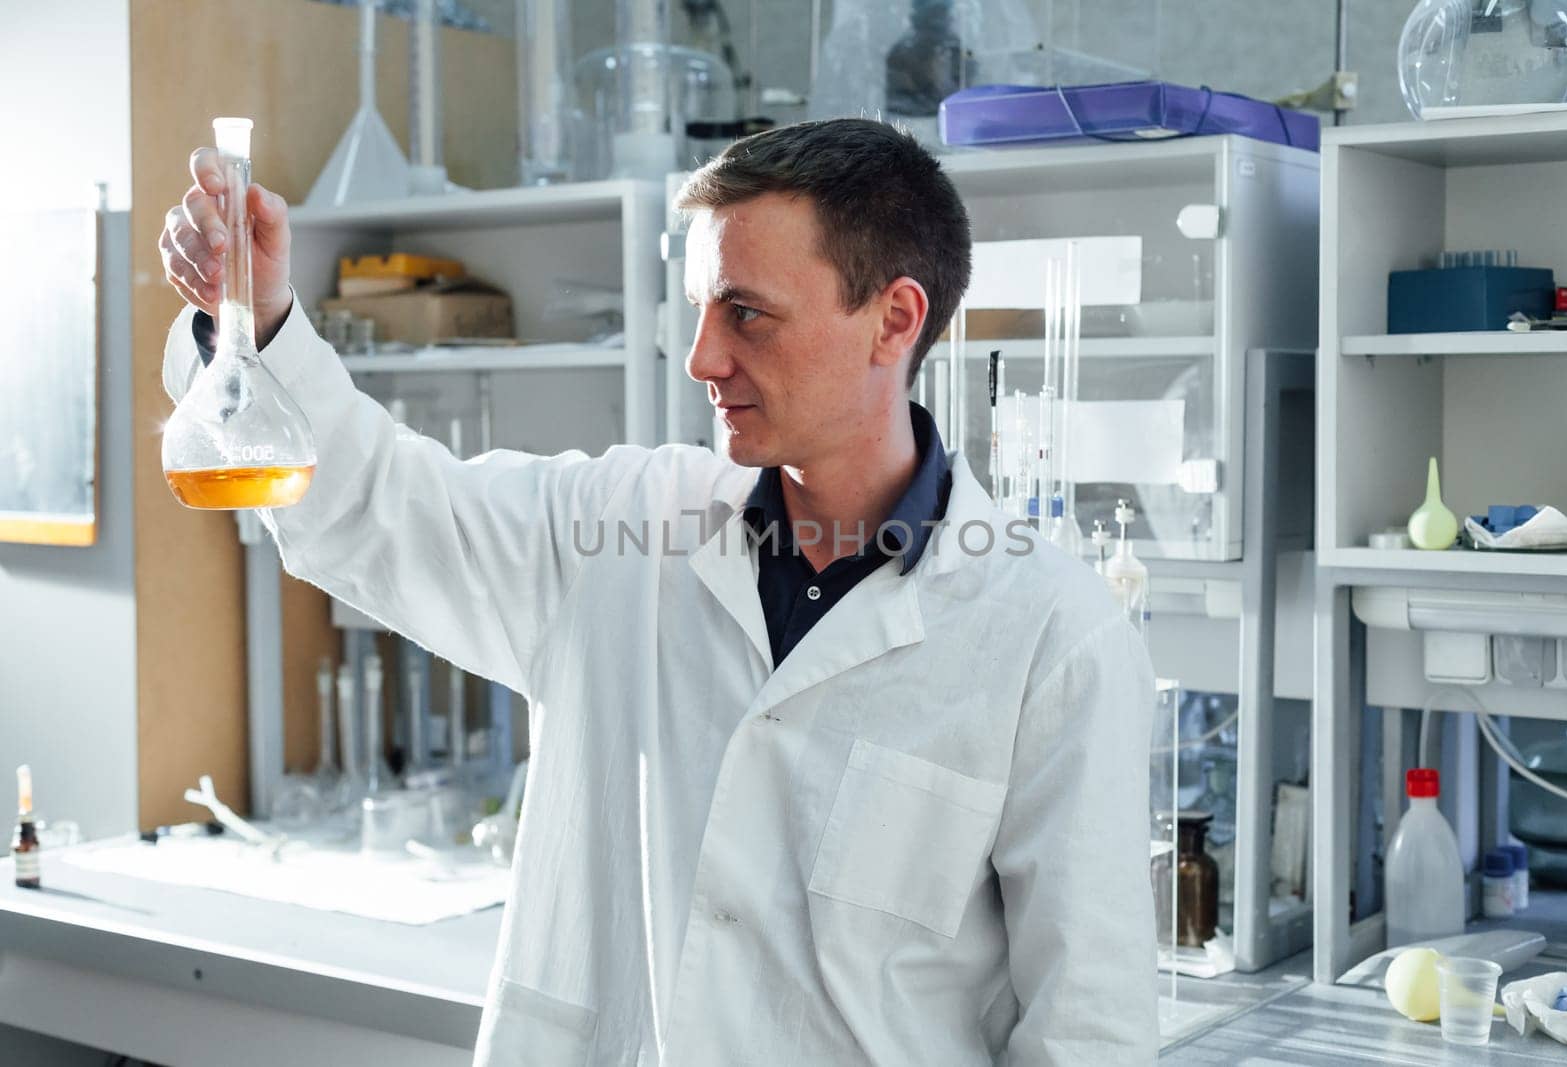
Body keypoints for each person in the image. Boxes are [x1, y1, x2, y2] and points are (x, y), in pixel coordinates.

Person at [158, 118, 1158, 1065]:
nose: (701, 358)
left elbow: (1086, 1029)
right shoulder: (624, 531)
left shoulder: (1048, 630)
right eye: (698, 310)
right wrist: (256, 320)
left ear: (893, 318)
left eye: (747, 314)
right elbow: (386, 504)